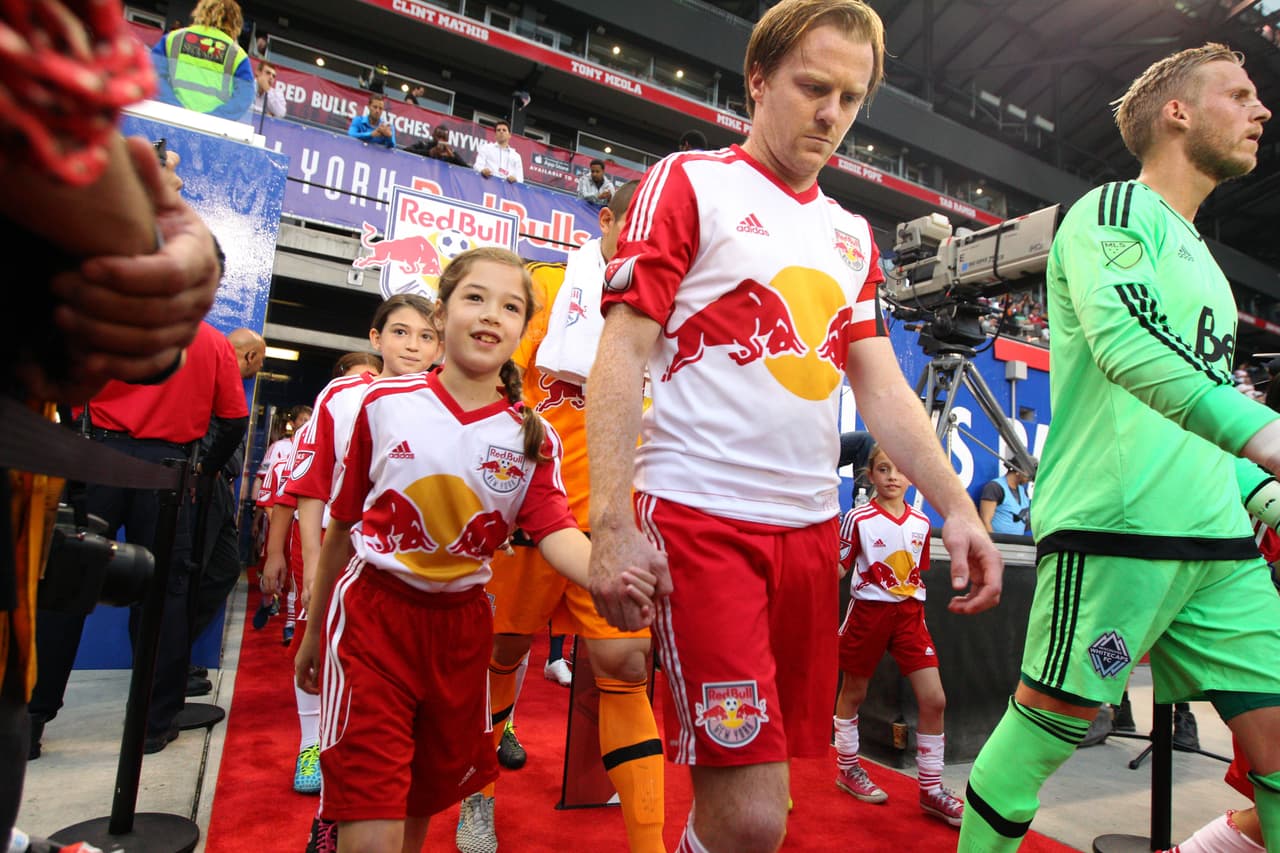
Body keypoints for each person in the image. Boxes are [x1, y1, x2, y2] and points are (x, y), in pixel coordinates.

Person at [585, 3, 1002, 851]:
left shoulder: (850, 234)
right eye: (814, 86)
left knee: (766, 808)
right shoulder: (690, 182)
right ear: (758, 79)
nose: (831, 114)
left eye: (851, 97)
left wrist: (957, 505)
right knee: (748, 819)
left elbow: (880, 386)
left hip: (811, 537)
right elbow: (621, 352)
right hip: (702, 522)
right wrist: (609, 518)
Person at [959, 44, 1280, 852]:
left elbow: (1203, 412)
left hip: (1221, 547)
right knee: (1041, 740)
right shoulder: (1111, 212)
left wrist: (1262, 489)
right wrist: (1263, 435)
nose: (1261, 111)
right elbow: (1129, 346)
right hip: (1118, 530)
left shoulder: (1209, 265)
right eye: (1239, 94)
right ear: (1178, 111)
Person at [294, 247, 658, 853]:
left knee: (416, 811)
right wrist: (312, 630)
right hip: (373, 624)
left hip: (461, 633)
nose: (492, 315)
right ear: (442, 314)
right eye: (475, 298)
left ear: (523, 329)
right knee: (371, 824)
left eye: (510, 306)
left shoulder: (528, 435)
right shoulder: (382, 405)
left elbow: (557, 532)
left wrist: (614, 574)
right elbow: (340, 528)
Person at [1, 4, 222, 847]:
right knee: (121, 593)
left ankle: (58, 715)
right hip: (120, 457)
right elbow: (106, 218)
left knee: (77, 592)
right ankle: (139, 714)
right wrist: (162, 231)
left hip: (81, 446)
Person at [455, 182, 665, 853]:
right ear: (606, 220)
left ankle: (649, 842)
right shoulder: (545, 287)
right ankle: (477, 797)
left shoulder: (668, 304)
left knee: (625, 663)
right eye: (637, 224)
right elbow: (493, 388)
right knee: (502, 652)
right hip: (527, 513)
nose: (649, 239)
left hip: (609, 521)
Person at [30, 320, 248, 758]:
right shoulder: (208, 340)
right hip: (166, 470)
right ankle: (152, 723)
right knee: (165, 598)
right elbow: (233, 420)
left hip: (98, 458)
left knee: (65, 590)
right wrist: (204, 467)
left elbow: (68, 396)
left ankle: (30, 719)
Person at [264, 303, 435, 816]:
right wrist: (314, 563)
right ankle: (311, 745)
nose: (412, 345)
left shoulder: (443, 400)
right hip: (336, 546)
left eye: (426, 336)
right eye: (400, 332)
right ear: (375, 338)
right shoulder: (342, 395)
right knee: (317, 652)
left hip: (404, 559)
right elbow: (315, 484)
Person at [833, 445, 963, 826]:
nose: (892, 476)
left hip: (910, 616)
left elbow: (914, 573)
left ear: (910, 476)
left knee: (934, 699)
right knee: (853, 692)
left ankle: (931, 788)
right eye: (883, 469)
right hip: (867, 614)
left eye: (899, 469)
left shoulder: (921, 522)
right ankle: (847, 766)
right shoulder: (856, 518)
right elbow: (837, 570)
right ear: (869, 475)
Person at [151, 0, 254, 122]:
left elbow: (152, 75)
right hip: (211, 127)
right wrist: (214, 118)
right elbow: (244, 97)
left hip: (169, 117)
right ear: (235, 22)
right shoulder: (238, 54)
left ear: (201, 12)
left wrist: (174, 107)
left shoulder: (173, 38)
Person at [978, 464, 1031, 536]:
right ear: (1018, 471)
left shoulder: (1023, 491)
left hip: (1018, 544)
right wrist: (994, 544)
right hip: (1000, 544)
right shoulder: (995, 487)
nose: (1030, 478)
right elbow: (985, 520)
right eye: (1029, 473)